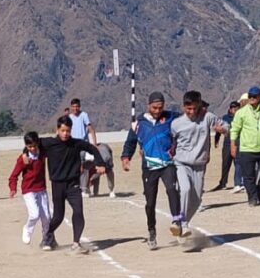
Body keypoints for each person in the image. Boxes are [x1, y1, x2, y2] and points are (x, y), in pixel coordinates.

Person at [33, 116, 106, 254]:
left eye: (68, 130)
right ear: (57, 130)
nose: (65, 133)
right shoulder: (49, 143)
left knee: (78, 211)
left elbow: (93, 149)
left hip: (73, 184)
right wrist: (26, 153)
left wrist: (100, 163)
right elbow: (31, 142)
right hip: (57, 185)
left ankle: (76, 243)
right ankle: (48, 236)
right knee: (58, 217)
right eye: (62, 130)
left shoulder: (76, 144)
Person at [121, 92, 182, 249]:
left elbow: (188, 119)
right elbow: (130, 142)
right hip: (149, 167)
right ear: (148, 106)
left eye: (160, 107)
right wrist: (126, 157)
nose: (157, 110)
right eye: (155, 107)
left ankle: (177, 221)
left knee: (172, 189)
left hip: (168, 164)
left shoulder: (172, 118)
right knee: (150, 202)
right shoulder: (138, 123)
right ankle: (152, 231)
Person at [171, 91, 228, 237]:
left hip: (200, 165)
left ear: (199, 106)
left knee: (196, 201)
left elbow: (226, 126)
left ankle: (182, 225)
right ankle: (182, 223)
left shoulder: (207, 118)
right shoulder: (176, 124)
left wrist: (223, 130)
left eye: (194, 108)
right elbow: (169, 143)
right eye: (188, 109)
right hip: (181, 164)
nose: (191, 112)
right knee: (185, 189)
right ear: (184, 107)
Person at [230, 86, 260, 206]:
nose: (252, 98)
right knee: (248, 176)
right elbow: (235, 129)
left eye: (255, 96)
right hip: (247, 149)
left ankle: (259, 192)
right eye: (250, 96)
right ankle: (252, 198)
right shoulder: (241, 112)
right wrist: (233, 145)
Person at [9, 132, 50, 245]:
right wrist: (13, 188)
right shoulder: (23, 159)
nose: (32, 148)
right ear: (26, 146)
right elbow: (13, 175)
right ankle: (27, 229)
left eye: (34, 146)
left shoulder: (42, 154)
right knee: (34, 214)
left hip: (41, 188)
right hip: (28, 190)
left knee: (46, 217)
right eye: (29, 147)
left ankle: (46, 239)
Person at [211, 101, 243, 192]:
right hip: (227, 144)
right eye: (234, 109)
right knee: (225, 164)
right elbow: (219, 130)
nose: (235, 111)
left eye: (237, 109)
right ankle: (223, 183)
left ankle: (238, 183)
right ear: (230, 109)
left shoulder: (241, 117)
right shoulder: (225, 118)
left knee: (238, 164)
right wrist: (216, 140)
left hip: (238, 143)